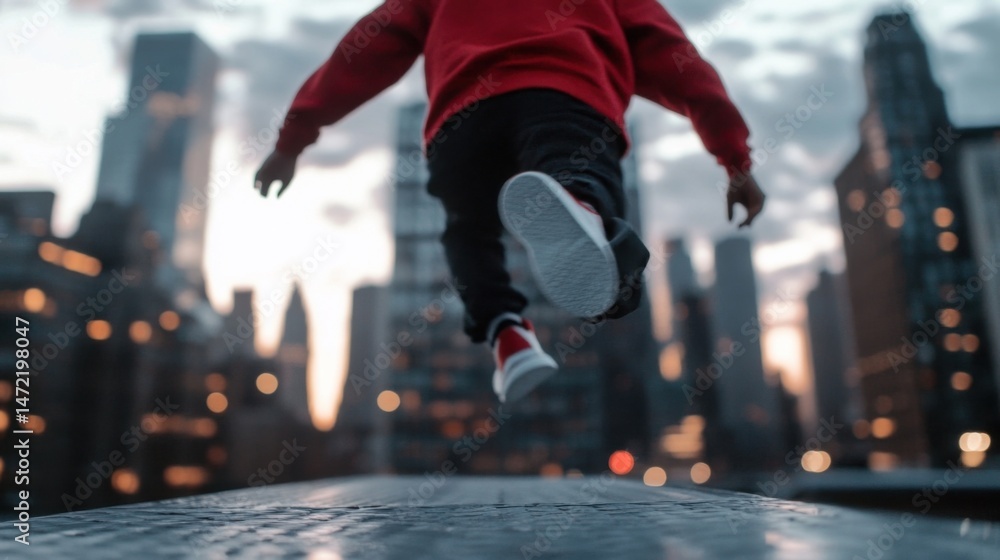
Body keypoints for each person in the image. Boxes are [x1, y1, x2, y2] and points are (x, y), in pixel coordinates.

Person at [254, 0, 766, 404]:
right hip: (564, 93)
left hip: (462, 122)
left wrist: (292, 139)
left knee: (467, 231)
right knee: (575, 169)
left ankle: (508, 335)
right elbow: (676, 58)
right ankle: (581, 208)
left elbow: (362, 52)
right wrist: (734, 158)